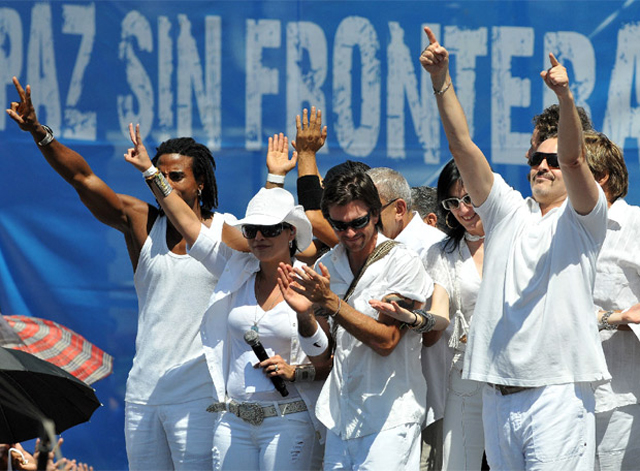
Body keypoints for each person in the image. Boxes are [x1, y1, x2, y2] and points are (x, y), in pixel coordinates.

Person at [6, 77, 245, 470]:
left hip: (201, 396)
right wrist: (39, 133)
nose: (164, 183)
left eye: (177, 176)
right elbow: (82, 179)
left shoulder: (228, 232)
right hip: (144, 394)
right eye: (159, 175)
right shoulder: (140, 222)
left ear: (201, 182)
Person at [421, 27, 609, 469]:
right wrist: (440, 79)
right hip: (495, 395)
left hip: (557, 395)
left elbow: (574, 159)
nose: (543, 166)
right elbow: (461, 145)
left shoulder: (585, 218)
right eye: (535, 161)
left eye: (551, 161)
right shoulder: (506, 211)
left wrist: (564, 99)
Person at [124, 124, 330, 470]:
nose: (260, 237)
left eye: (271, 230)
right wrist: (149, 172)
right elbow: (185, 219)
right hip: (232, 422)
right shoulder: (235, 267)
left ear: (291, 232)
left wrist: (300, 352)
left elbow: (326, 361)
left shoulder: (310, 279)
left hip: (288, 420)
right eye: (252, 230)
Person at [277, 169, 436, 470]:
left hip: (389, 421)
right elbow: (321, 358)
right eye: (339, 225)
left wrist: (331, 303)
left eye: (357, 222)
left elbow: (387, 341)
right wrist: (305, 315)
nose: (349, 233)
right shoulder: (326, 266)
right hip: (339, 418)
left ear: (376, 214)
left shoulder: (403, 262)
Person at [579, 131, 640, 470]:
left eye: (570, 168)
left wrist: (621, 317)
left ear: (601, 176)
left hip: (622, 396)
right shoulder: (561, 228)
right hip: (565, 394)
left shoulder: (636, 225)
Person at [421, 159, 486, 470]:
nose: (463, 210)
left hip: (519, 378)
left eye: (470, 198)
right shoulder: (440, 253)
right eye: (453, 202)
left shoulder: (521, 239)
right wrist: (415, 320)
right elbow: (438, 312)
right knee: (458, 464)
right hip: (465, 376)